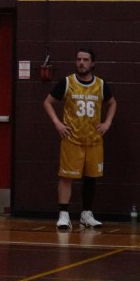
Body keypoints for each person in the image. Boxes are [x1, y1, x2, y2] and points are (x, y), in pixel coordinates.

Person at [43, 48, 117, 231]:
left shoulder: (100, 84)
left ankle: (86, 214)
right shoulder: (67, 82)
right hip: (72, 139)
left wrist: (107, 123)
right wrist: (57, 123)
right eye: (78, 59)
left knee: (91, 178)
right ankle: (63, 214)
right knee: (66, 177)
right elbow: (48, 102)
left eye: (85, 59)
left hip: (94, 140)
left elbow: (112, 103)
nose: (81, 62)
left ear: (93, 63)